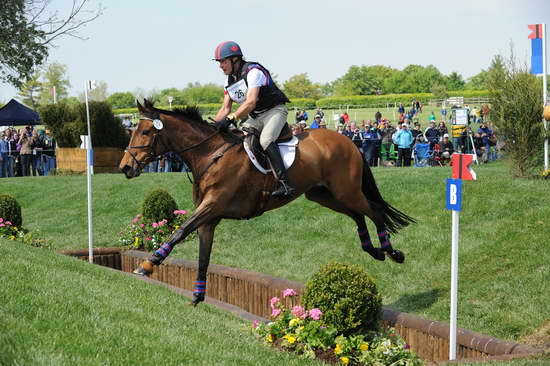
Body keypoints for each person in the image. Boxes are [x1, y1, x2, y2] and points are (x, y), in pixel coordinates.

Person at [212, 41, 294, 197]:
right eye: (219, 62)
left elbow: (250, 102)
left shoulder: (253, 72)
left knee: (265, 140)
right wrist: (215, 126)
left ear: (235, 59)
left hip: (274, 111)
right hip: (255, 116)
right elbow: (225, 108)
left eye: (223, 61)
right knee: (240, 140)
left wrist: (231, 118)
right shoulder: (228, 81)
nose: (220, 66)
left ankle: (285, 184)